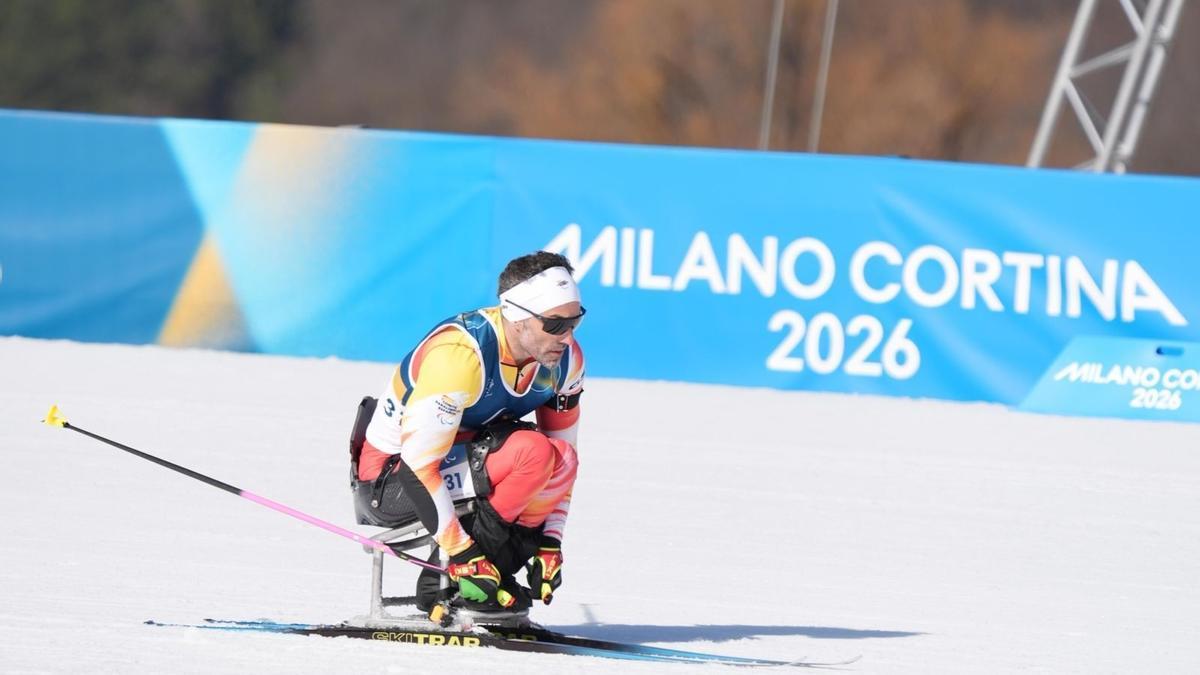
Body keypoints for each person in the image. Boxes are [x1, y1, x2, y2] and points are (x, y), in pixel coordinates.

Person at [355, 251, 584, 614]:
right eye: (555, 325)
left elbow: (564, 460)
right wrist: (462, 554)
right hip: (392, 480)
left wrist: (549, 541)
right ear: (517, 316)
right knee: (531, 453)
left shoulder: (566, 361)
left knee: (561, 457)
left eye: (575, 321)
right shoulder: (460, 355)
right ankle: (442, 582)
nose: (567, 337)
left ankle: (495, 573)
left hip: (462, 460)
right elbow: (418, 468)